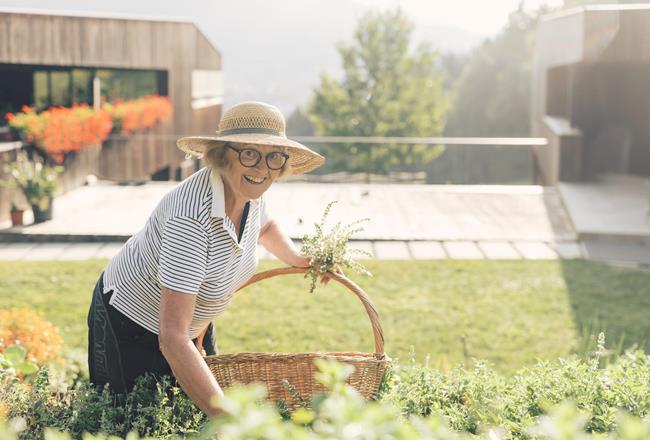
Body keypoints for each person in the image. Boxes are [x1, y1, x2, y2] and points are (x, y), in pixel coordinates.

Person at [87, 101, 326, 416]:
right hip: (131, 324)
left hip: (192, 324)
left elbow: (265, 226)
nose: (262, 168)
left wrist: (297, 258)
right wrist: (231, 421)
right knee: (131, 420)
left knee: (198, 412)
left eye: (273, 157)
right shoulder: (192, 219)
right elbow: (171, 337)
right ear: (223, 154)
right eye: (250, 153)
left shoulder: (249, 193)